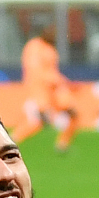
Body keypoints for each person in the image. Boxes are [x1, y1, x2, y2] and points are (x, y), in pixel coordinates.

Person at [12, 23, 77, 153]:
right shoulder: (34, 46)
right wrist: (57, 80)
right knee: (39, 121)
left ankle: (62, 144)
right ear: (43, 32)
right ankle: (12, 140)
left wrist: (62, 81)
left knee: (73, 113)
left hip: (54, 90)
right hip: (39, 89)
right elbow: (35, 71)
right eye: (52, 32)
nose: (55, 36)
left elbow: (51, 71)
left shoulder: (50, 49)